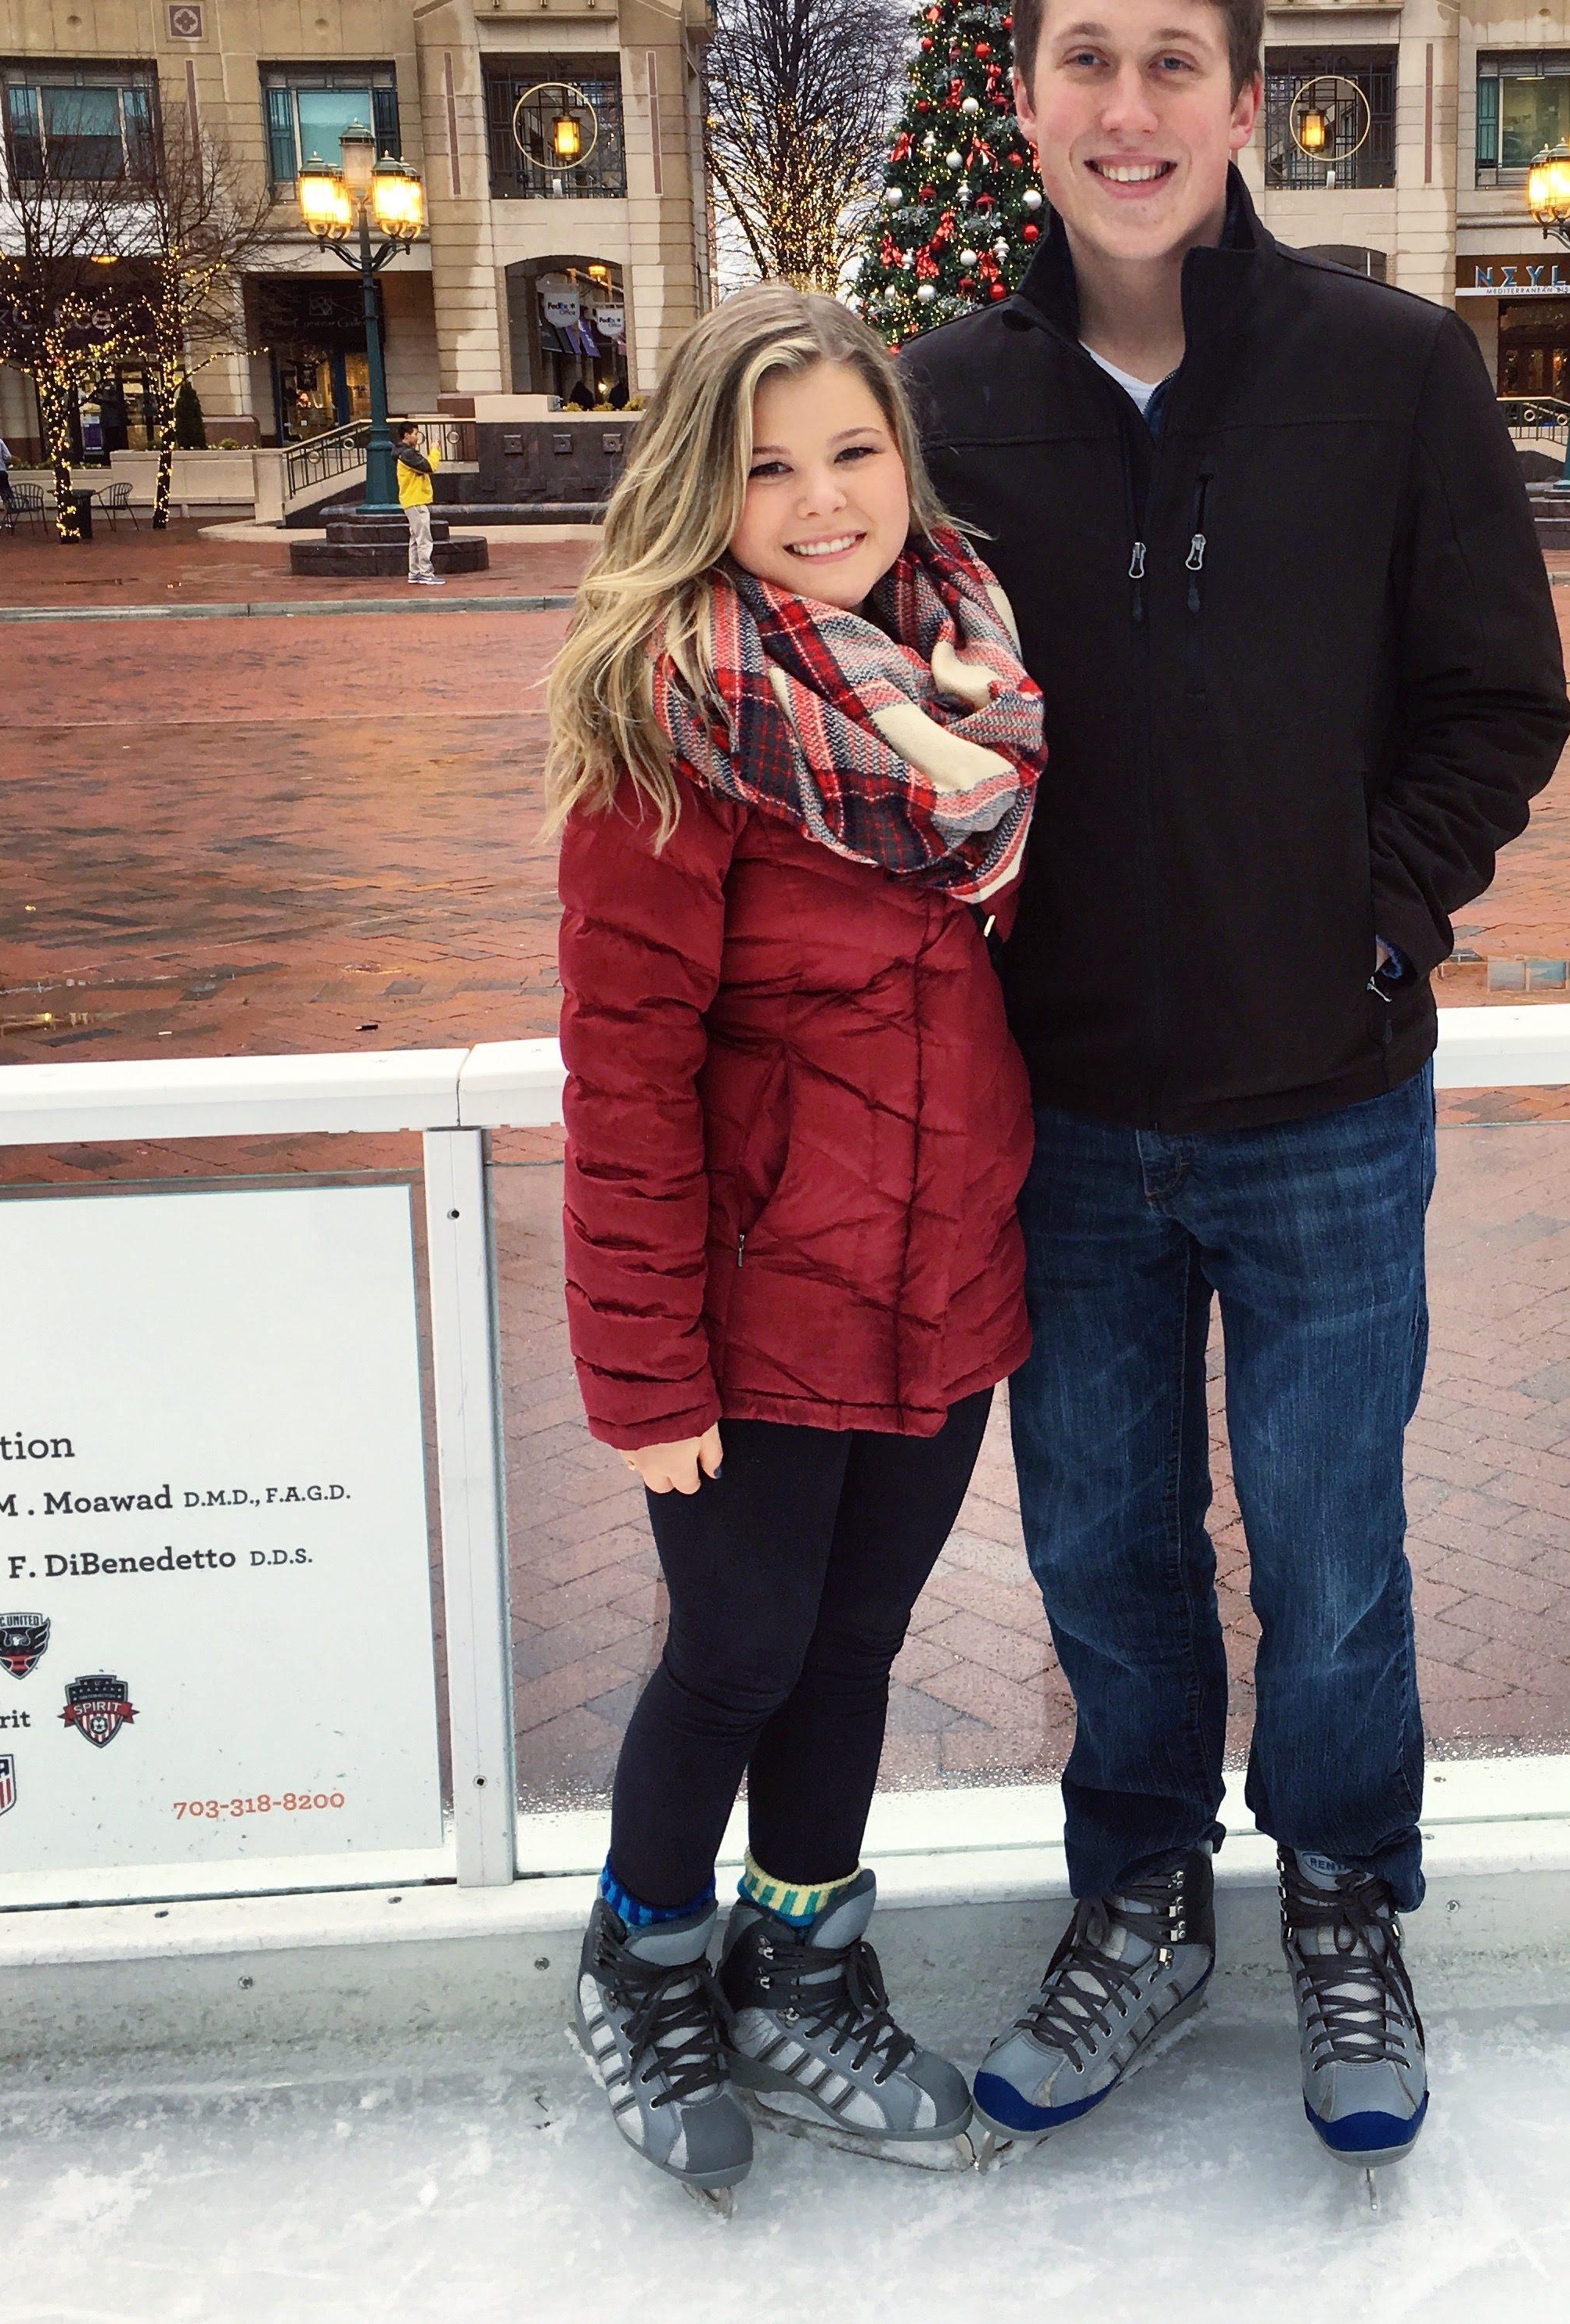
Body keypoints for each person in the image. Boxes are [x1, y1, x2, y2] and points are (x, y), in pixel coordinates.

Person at [898, 0, 1570, 2176]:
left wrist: (1371, 929)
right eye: (1081, 58)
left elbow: (1499, 698)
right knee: (1095, 1541)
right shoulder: (935, 402)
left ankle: (1349, 1902)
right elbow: (856, 706)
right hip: (1056, 1111)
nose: (1124, 106)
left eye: (1169, 62)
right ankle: (1139, 1896)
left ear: (1243, 101)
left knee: (1327, 1542)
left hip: (1318, 1109)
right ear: (1023, 103)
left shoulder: (1389, 373)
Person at [543, 282, 1047, 2207]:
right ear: (702, 487)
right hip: (756, 1310)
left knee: (857, 1644)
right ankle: (646, 1957)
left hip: (942, 1284)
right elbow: (625, 1078)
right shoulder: (673, 719)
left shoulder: (969, 684)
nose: (823, 497)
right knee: (739, 1654)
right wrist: (643, 1368)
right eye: (768, 466)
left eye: (852, 450)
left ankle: (803, 1961)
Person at [393, 427, 440, 585]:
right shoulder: (408, 454)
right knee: (424, 538)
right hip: (416, 500)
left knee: (415, 538)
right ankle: (426, 573)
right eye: (415, 434)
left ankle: (414, 572)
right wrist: (434, 451)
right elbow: (430, 467)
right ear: (406, 435)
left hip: (410, 500)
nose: (417, 437)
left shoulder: (402, 453)